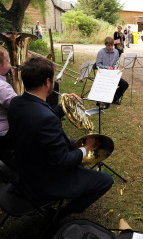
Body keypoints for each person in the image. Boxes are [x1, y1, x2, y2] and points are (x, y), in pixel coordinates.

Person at [7, 57, 114, 219]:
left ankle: (79, 176)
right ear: (48, 82)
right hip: (44, 182)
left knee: (72, 144)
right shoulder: (45, 119)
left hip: (27, 167)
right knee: (106, 180)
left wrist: (62, 108)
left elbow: (38, 122)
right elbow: (62, 161)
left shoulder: (17, 103)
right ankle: (60, 215)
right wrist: (85, 149)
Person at [96, 37, 129, 105]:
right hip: (104, 74)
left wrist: (120, 67)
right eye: (108, 45)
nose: (110, 47)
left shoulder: (116, 52)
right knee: (108, 85)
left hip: (113, 74)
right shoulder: (101, 52)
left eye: (112, 45)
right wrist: (107, 67)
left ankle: (113, 99)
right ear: (105, 45)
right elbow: (98, 64)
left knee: (125, 84)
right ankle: (103, 99)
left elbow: (117, 62)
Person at [0, 46, 17, 159]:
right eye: (8, 61)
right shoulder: (3, 88)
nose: (10, 64)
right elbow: (23, 108)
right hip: (5, 136)